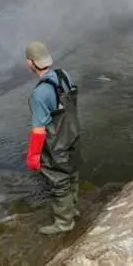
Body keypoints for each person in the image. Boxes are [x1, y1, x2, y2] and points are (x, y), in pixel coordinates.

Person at [25, 41, 80, 235]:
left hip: (56, 143)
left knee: (58, 181)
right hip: (72, 134)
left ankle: (64, 222)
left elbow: (39, 130)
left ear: (31, 63)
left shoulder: (39, 93)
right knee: (72, 171)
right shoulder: (63, 74)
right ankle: (74, 209)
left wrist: (33, 157)